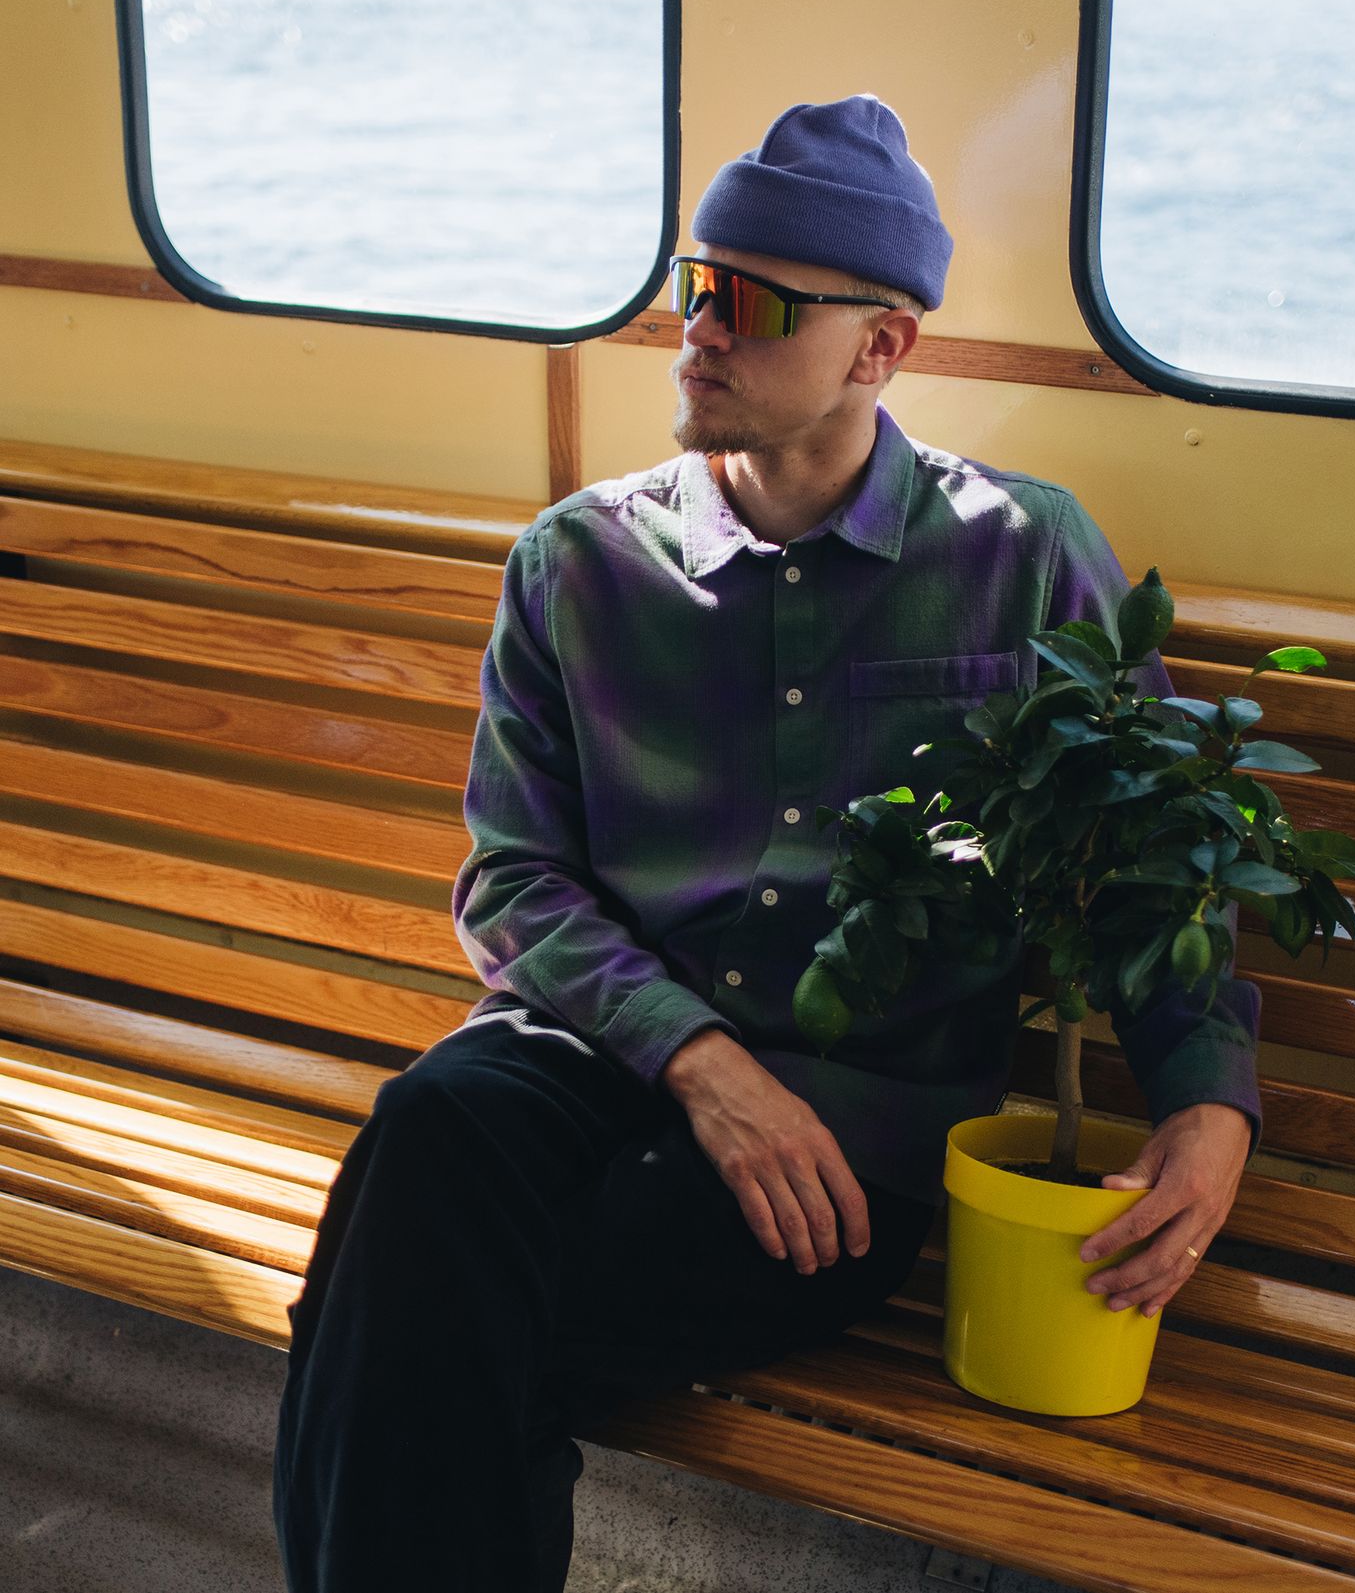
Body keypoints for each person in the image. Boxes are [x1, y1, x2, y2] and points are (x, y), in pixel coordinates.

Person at [272, 95, 1261, 1592]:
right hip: (597, 1053)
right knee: (435, 1123)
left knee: (408, 1330)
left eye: (746, 303)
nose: (696, 330)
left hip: (841, 1142)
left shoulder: (1024, 559)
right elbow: (513, 879)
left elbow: (1148, 856)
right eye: (692, 284)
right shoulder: (581, 561)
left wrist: (1211, 1101)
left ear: (881, 348)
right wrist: (701, 1059)